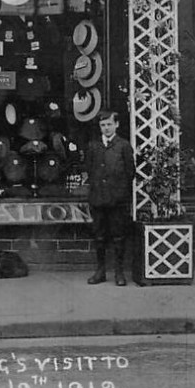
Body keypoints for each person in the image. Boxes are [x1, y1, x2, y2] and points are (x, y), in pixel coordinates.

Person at [84, 109, 135, 286]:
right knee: (99, 236)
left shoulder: (124, 146)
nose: (106, 128)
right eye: (103, 125)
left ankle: (119, 272)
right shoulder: (93, 146)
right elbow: (89, 170)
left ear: (117, 125)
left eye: (109, 124)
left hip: (117, 200)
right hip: (98, 199)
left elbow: (130, 173)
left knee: (118, 236)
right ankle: (100, 271)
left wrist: (118, 192)